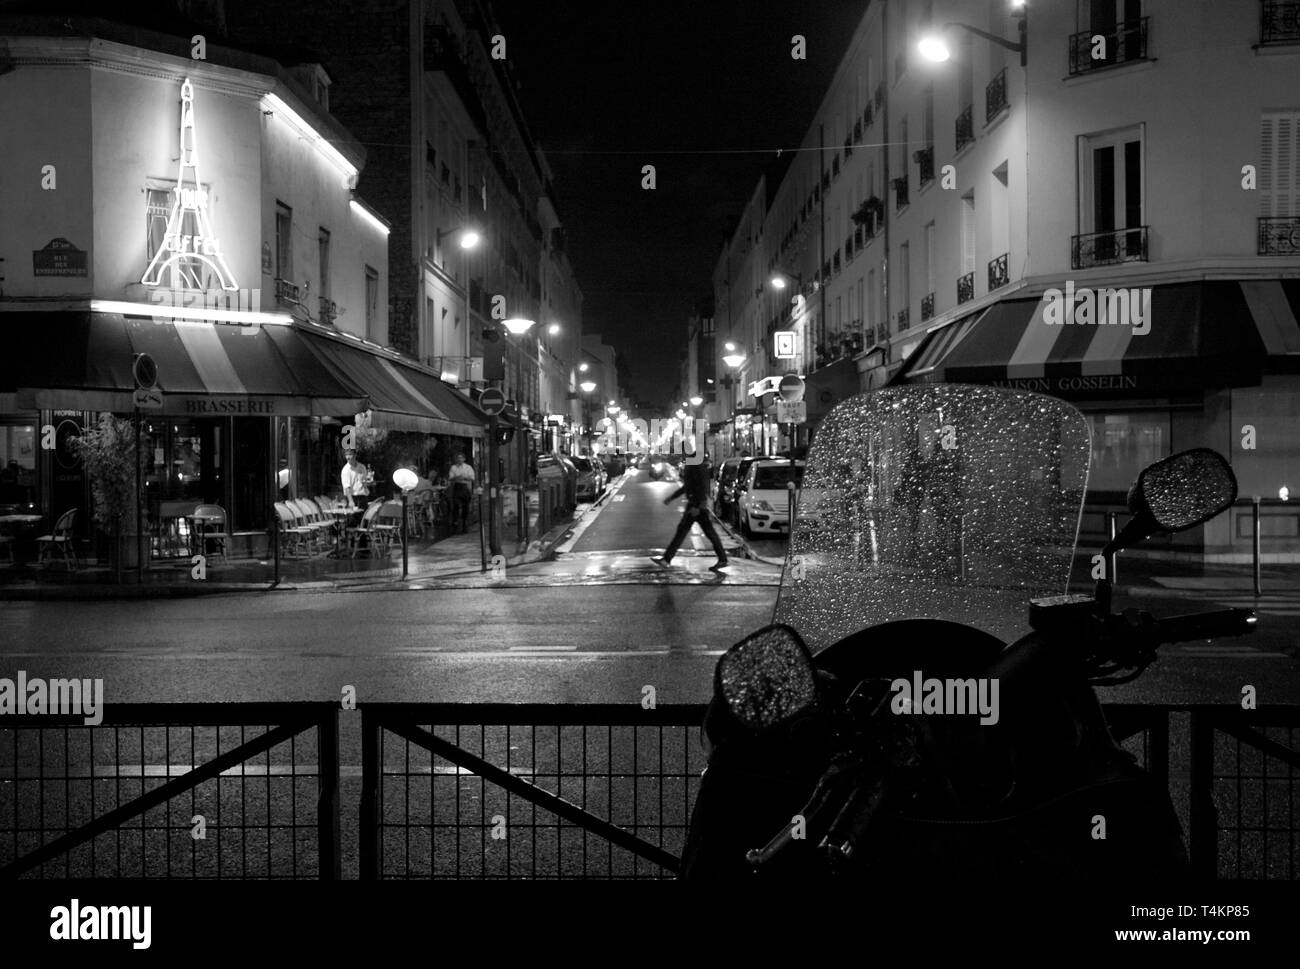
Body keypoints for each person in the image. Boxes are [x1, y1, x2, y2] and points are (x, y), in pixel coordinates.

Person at [652, 454, 728, 571]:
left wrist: (698, 505)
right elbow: (688, 486)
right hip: (694, 505)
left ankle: (723, 559)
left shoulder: (694, 466)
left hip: (695, 506)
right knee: (694, 532)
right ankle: (666, 559)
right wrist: (672, 497)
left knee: (699, 532)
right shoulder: (693, 464)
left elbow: (700, 486)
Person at [448, 452, 475, 533]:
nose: (459, 459)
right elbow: (450, 477)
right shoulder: (453, 467)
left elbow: (472, 477)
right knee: (456, 505)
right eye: (458, 458)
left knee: (465, 506)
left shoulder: (468, 467)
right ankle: (455, 522)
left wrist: (464, 477)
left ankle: (464, 523)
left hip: (465, 487)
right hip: (457, 487)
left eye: (461, 458)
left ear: (464, 459)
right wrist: (458, 477)